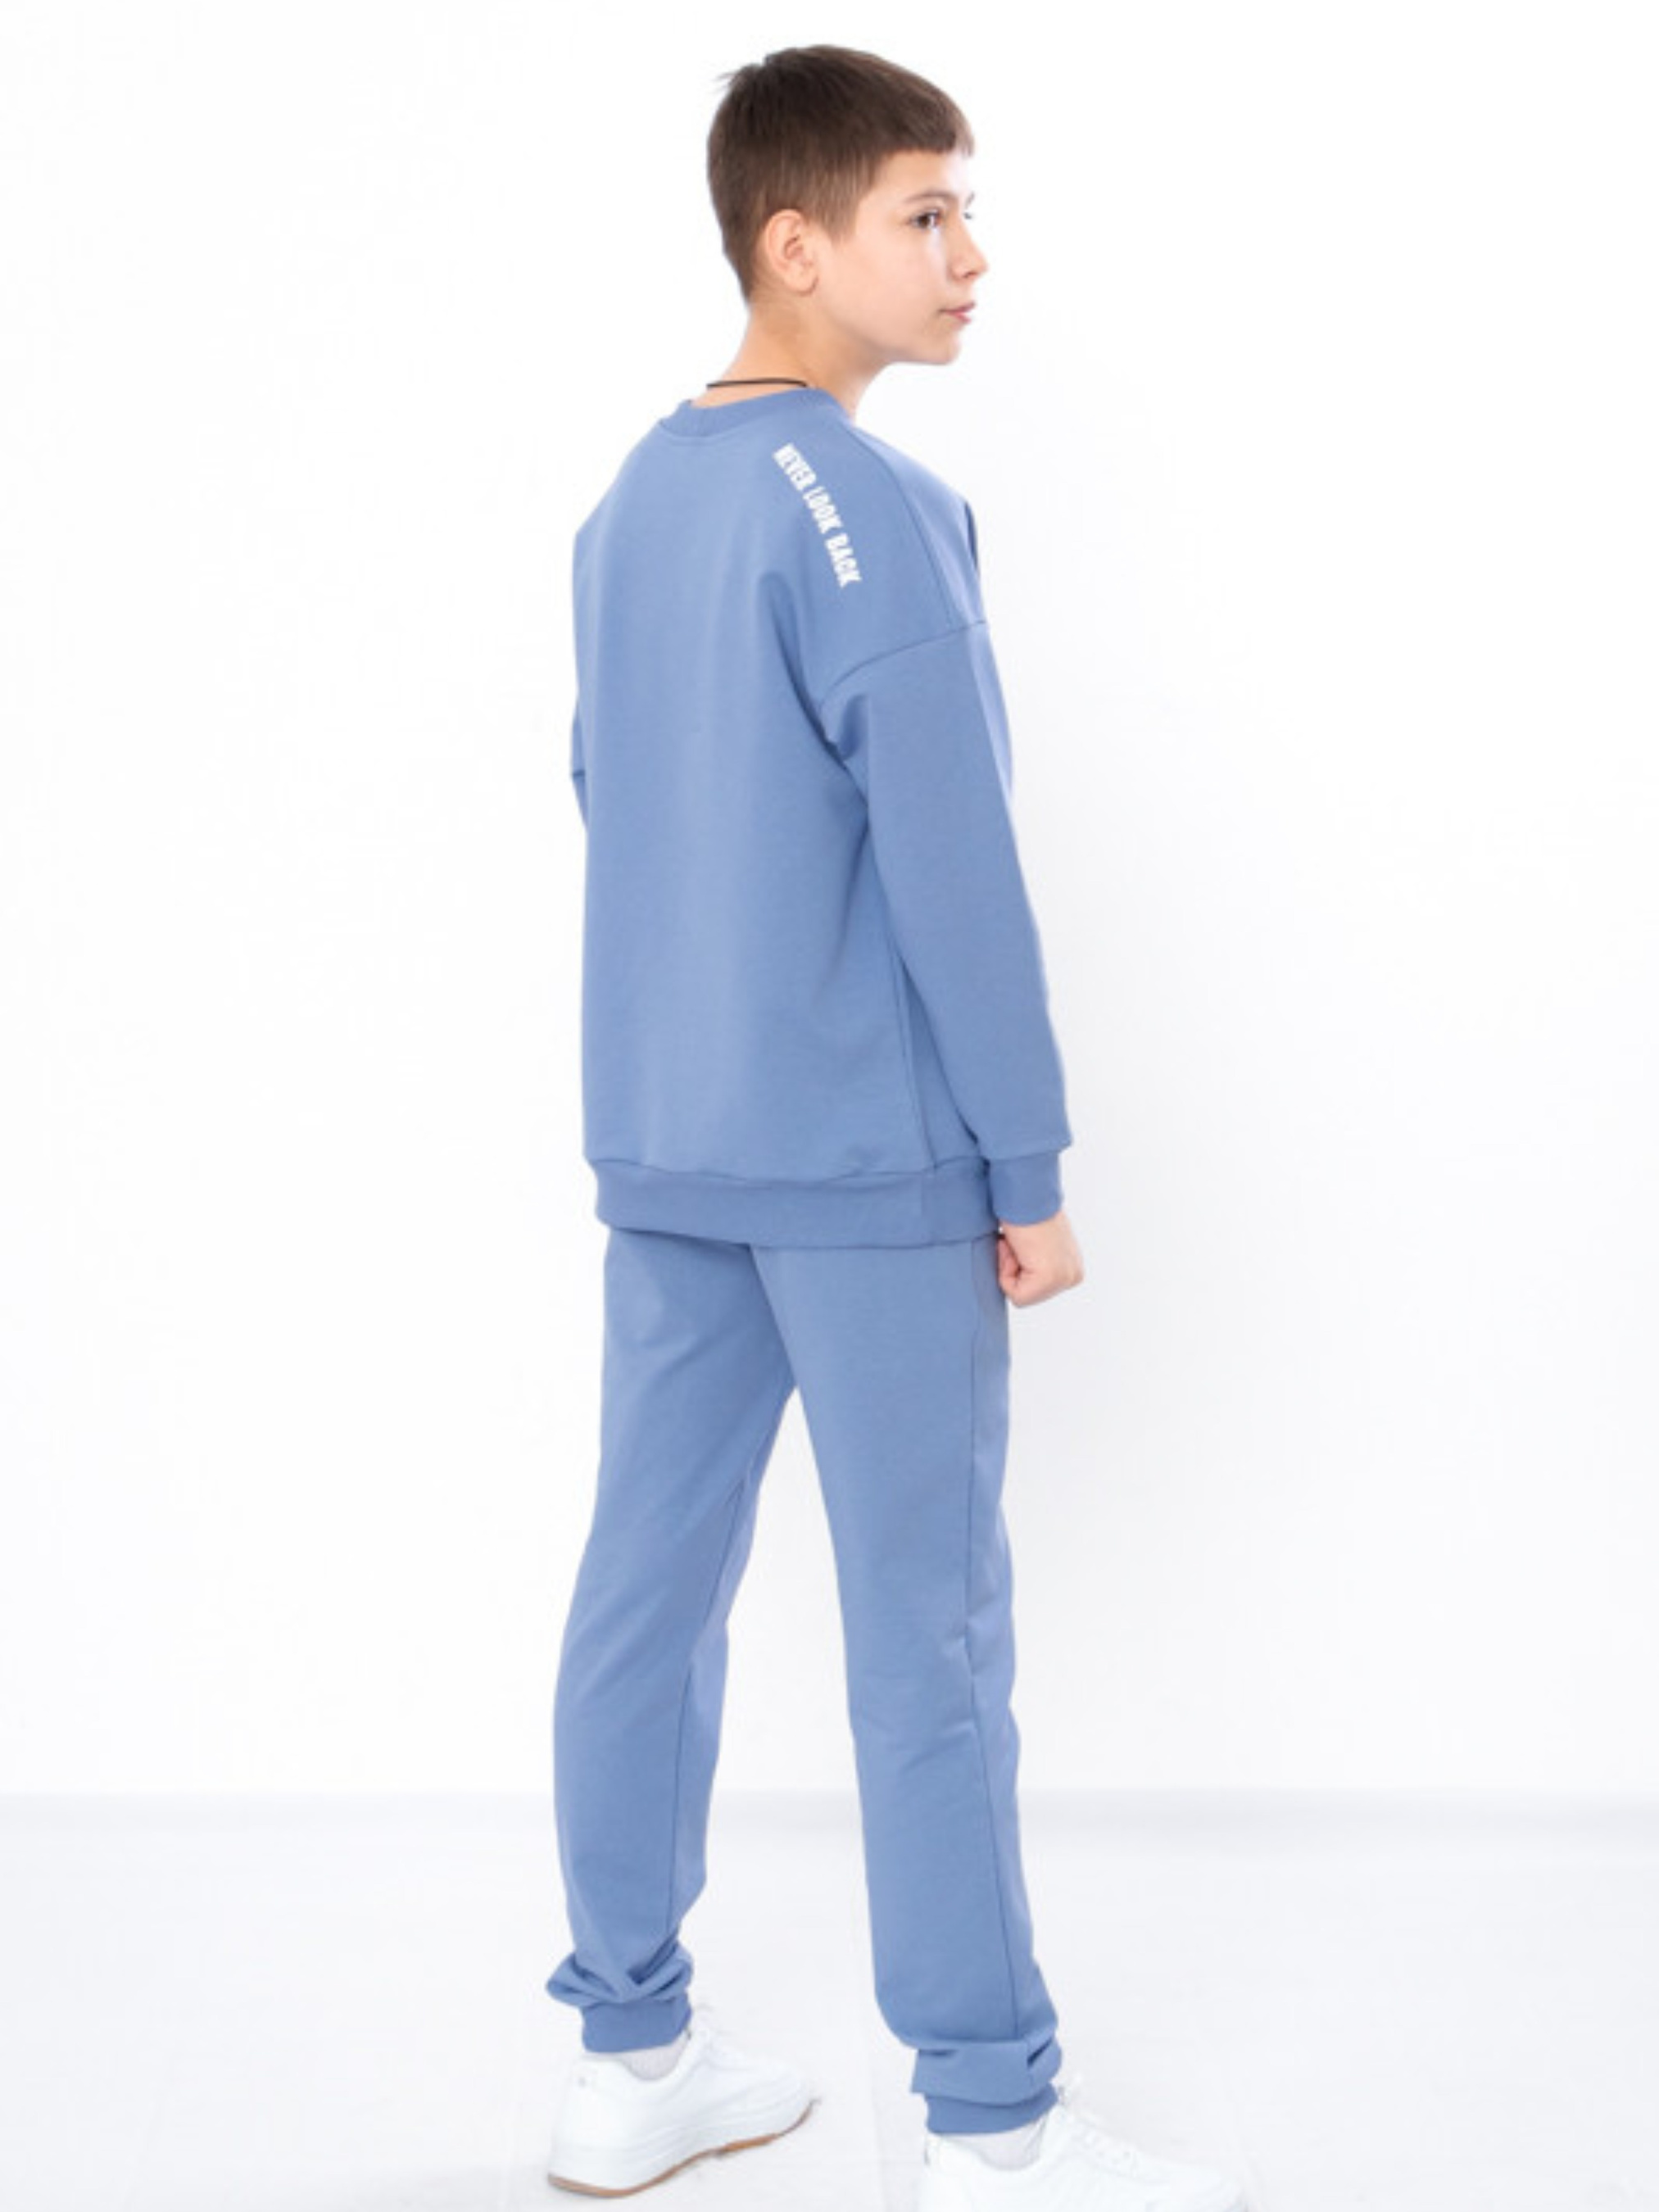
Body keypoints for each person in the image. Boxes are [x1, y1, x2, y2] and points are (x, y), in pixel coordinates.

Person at [543, 42, 1248, 2212]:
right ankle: (991, 2118)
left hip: (668, 1148)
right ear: (796, 243)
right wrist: (1025, 1167)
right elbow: (957, 872)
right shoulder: (880, 512)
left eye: (965, 211)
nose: (969, 257)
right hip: (863, 1171)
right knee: (925, 1637)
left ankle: (628, 2056)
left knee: (644, 1597)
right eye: (925, 214)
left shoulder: (629, 504)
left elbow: (611, 798)